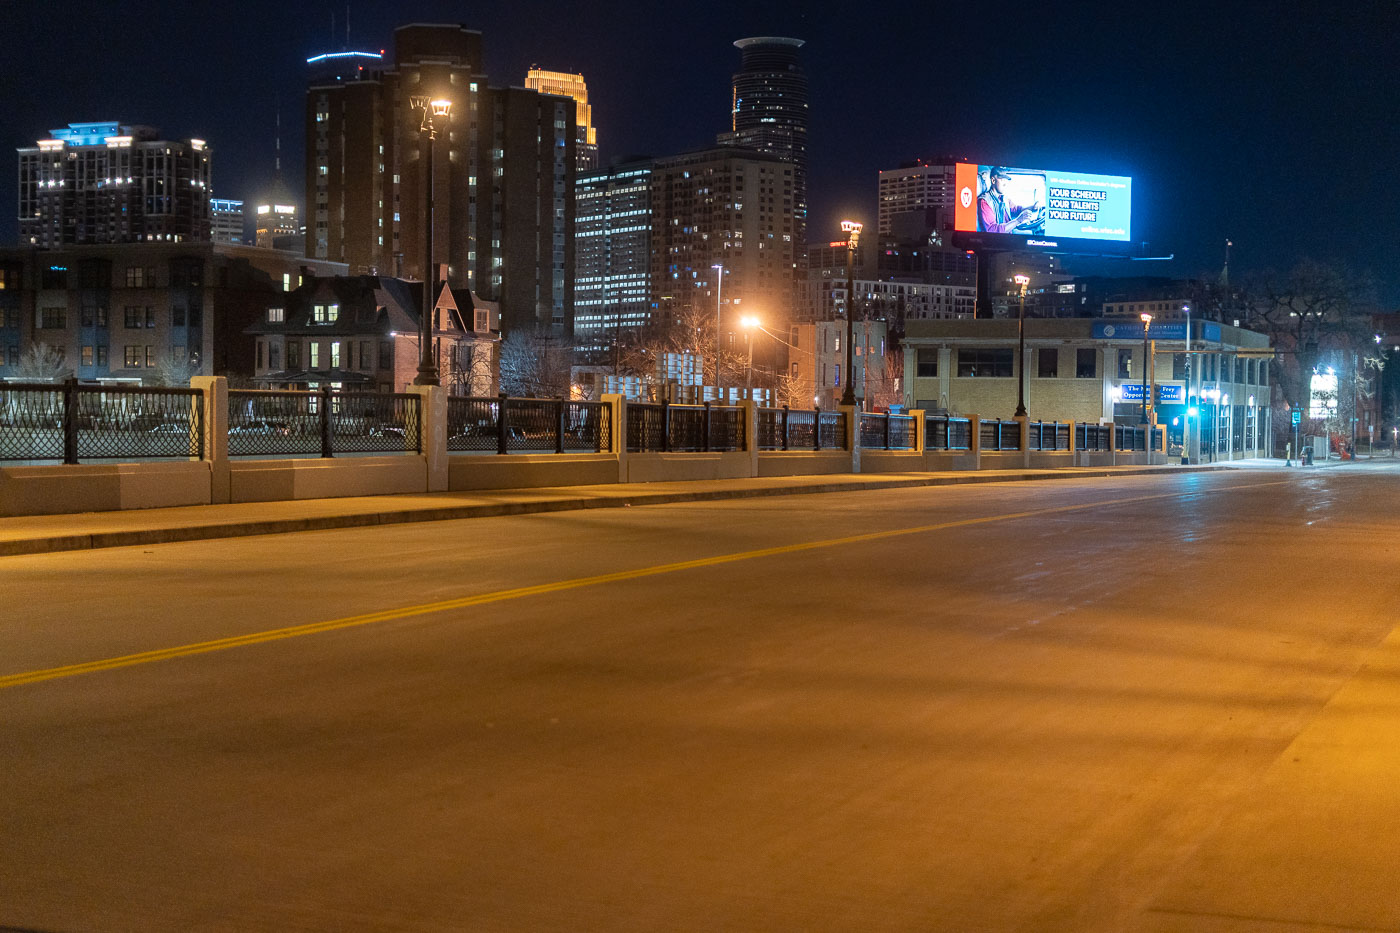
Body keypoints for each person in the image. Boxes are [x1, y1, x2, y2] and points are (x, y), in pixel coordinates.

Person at [978, 167, 1041, 233]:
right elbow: (992, 230)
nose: (1005, 183)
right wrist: (1018, 220)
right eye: (1002, 179)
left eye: (1006, 180)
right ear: (993, 180)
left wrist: (1032, 207)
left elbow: (1016, 209)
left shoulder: (1004, 198)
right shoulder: (984, 202)